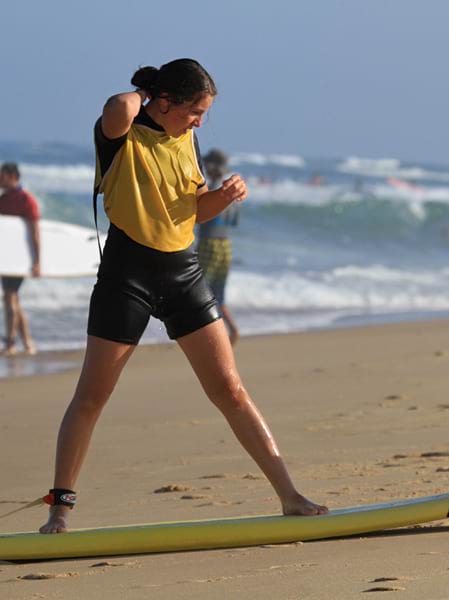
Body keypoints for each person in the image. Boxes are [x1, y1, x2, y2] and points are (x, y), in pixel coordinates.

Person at [40, 58, 327, 535]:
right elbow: (117, 105)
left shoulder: (188, 140)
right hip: (125, 277)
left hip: (183, 274)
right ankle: (60, 510)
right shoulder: (120, 134)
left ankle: (290, 495)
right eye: (195, 111)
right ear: (166, 102)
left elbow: (193, 213)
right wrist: (148, 94)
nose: (200, 123)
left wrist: (225, 196)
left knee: (230, 389)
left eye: (204, 114)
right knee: (91, 397)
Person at [197, 148, 240, 345]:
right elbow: (233, 222)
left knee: (201, 290)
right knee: (219, 293)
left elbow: (201, 217)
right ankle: (231, 330)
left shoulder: (213, 189)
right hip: (225, 245)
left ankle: (211, 336)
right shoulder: (232, 191)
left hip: (209, 244)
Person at [0, 162, 40, 356]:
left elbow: (35, 232)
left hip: (21, 258)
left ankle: (10, 344)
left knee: (9, 297)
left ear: (11, 176)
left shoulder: (26, 199)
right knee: (14, 299)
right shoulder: (3, 199)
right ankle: (28, 342)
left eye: (1, 176)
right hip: (6, 259)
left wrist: (37, 261)